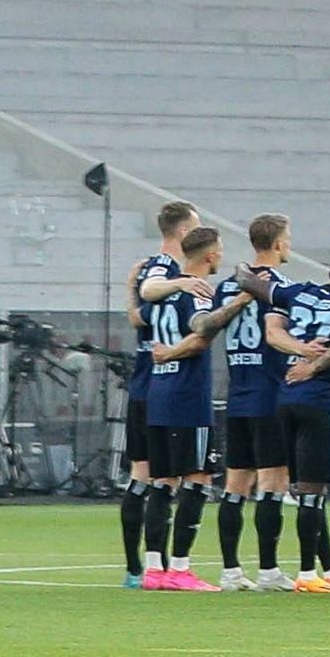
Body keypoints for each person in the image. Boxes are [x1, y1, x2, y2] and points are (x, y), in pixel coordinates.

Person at [134, 223, 252, 590]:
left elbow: (138, 315)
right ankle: (180, 569)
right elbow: (202, 332)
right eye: (220, 252)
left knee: (161, 482)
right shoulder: (197, 291)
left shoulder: (162, 294)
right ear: (211, 255)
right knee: (197, 480)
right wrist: (239, 302)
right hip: (187, 398)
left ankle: (154, 569)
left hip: (158, 392)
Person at [263, 249, 330, 591]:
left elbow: (252, 285)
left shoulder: (298, 292)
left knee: (309, 490)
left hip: (285, 398)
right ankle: (307, 574)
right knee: (312, 491)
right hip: (319, 401)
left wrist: (248, 276)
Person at [211, 213, 296, 589]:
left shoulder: (226, 288)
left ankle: (230, 571)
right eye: (287, 238)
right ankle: (268, 570)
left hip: (238, 395)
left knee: (235, 486)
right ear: (277, 243)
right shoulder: (280, 288)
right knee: (273, 483)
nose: (289, 245)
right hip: (270, 394)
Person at [122, 199, 201, 586]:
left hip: (147, 386)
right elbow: (149, 293)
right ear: (183, 232)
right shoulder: (166, 268)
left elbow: (137, 316)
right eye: (196, 228)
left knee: (146, 478)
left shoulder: (155, 269)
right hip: (160, 386)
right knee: (164, 479)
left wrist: (129, 290)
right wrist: (180, 284)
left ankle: (139, 568)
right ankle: (151, 567)